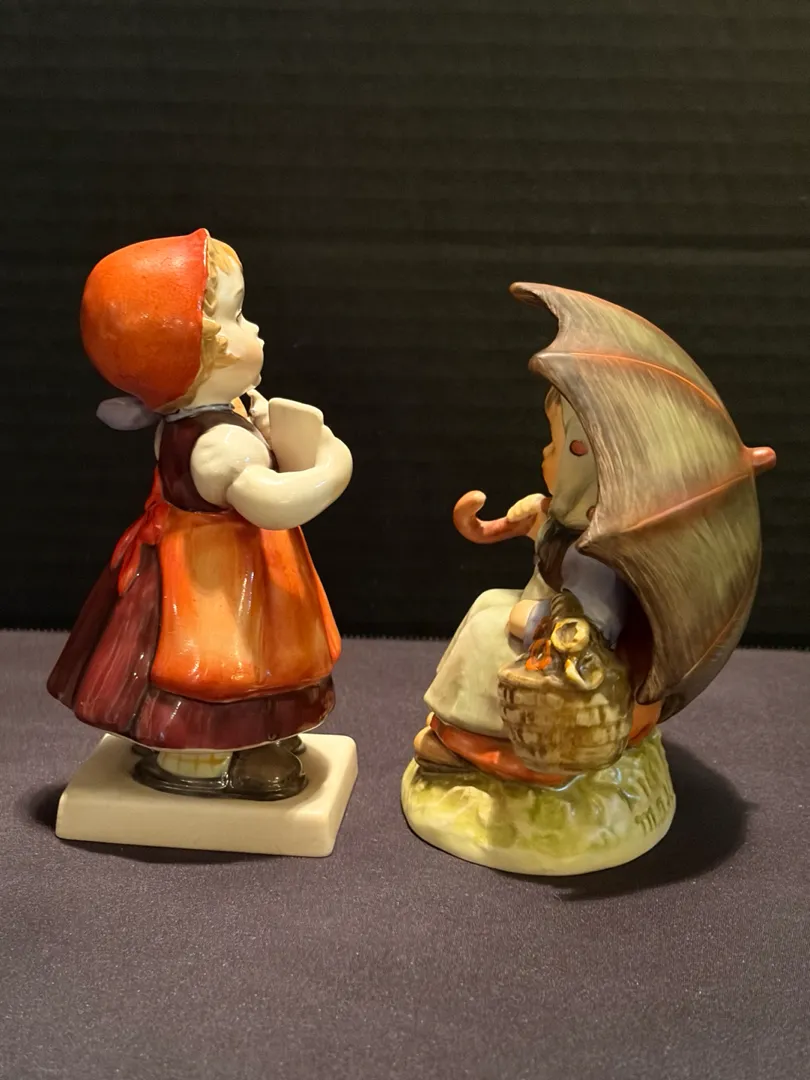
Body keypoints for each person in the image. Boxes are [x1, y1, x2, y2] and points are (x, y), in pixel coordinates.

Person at [48, 229, 352, 799]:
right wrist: (334, 464)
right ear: (187, 352)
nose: (257, 330)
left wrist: (267, 428)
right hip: (214, 582)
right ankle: (199, 756)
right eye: (237, 317)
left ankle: (257, 736)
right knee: (221, 663)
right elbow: (275, 503)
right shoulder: (216, 445)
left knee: (267, 659)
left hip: (207, 560)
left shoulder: (207, 418)